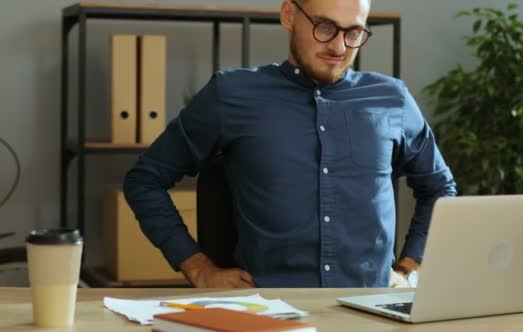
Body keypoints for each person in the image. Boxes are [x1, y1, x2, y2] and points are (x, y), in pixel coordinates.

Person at [123, 0, 456, 288]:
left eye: (354, 33)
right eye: (325, 27)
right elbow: (145, 180)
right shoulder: (232, 94)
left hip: (369, 304)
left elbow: (440, 188)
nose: (339, 47)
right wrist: (197, 267)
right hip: (269, 307)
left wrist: (409, 268)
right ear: (288, 14)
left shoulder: (391, 99)